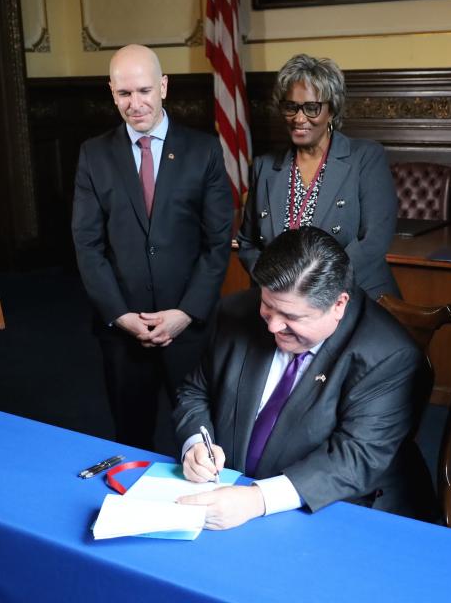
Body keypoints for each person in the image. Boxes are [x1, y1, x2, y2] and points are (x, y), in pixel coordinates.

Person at [174, 227, 436, 530]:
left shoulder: (388, 355)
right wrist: (195, 443)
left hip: (341, 508)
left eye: (291, 318)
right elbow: (195, 391)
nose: (272, 326)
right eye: (267, 306)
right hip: (230, 495)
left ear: (338, 305)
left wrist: (257, 500)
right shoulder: (234, 312)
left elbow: (354, 457)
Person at [72, 44, 233, 451]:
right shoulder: (93, 154)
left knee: (203, 441)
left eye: (144, 91)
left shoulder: (204, 150)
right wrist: (121, 315)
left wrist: (185, 313)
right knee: (131, 439)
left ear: (163, 86)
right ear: (111, 92)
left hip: (188, 326)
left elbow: (217, 244)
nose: (136, 104)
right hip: (124, 330)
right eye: (124, 94)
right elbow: (87, 244)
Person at [237, 53, 400, 299]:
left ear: (332, 111)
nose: (299, 118)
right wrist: (273, 283)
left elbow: (374, 242)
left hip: (351, 298)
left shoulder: (366, 157)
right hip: (281, 305)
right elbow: (248, 244)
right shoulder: (264, 166)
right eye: (291, 107)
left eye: (312, 108)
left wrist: (312, 293)